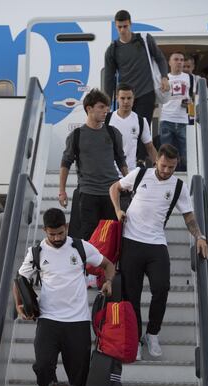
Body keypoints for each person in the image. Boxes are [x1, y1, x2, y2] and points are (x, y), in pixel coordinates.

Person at [109, 144, 208, 360]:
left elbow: (189, 216)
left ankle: (152, 333)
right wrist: (118, 210)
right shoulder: (140, 174)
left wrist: (199, 236)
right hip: (131, 242)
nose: (166, 171)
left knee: (162, 288)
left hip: (156, 244)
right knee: (131, 295)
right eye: (163, 166)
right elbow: (114, 188)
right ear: (157, 161)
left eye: (171, 168)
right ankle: (134, 338)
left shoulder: (178, 186)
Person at [13, 208, 115, 386]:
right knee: (42, 367)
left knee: (79, 374)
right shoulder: (36, 253)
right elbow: (20, 279)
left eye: (61, 232)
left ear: (66, 227)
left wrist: (109, 282)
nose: (57, 237)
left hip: (78, 322)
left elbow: (108, 264)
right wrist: (19, 304)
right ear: (45, 231)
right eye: (52, 234)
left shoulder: (80, 247)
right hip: (48, 320)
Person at [59, 88, 128, 240]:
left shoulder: (113, 133)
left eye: (107, 107)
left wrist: (129, 182)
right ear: (89, 109)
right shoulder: (76, 135)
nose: (106, 111)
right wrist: (62, 191)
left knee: (110, 236)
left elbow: (121, 159)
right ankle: (89, 265)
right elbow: (65, 163)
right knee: (88, 236)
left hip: (111, 192)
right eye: (101, 107)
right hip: (88, 193)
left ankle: (108, 264)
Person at [104, 10, 169, 129]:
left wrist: (164, 77)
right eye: (119, 27)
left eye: (125, 26)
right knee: (125, 130)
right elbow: (108, 78)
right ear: (115, 26)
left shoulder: (144, 39)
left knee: (141, 131)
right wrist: (107, 102)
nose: (123, 30)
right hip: (125, 96)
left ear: (130, 24)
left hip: (146, 93)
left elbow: (160, 59)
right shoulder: (112, 49)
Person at [107, 83, 157, 171]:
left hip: (131, 174)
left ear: (133, 98)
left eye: (129, 98)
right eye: (122, 98)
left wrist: (158, 166)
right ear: (117, 98)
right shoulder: (107, 119)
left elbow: (150, 147)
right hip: (110, 173)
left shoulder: (141, 121)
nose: (126, 101)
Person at [159, 51, 191, 171]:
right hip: (166, 119)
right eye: (176, 59)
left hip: (183, 119)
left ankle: (186, 175)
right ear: (169, 62)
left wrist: (190, 103)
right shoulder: (165, 78)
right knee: (166, 152)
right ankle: (165, 174)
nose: (179, 62)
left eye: (182, 60)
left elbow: (193, 96)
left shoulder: (189, 78)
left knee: (186, 152)